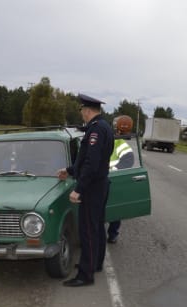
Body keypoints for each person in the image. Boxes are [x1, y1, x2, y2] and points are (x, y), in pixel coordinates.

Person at [57, 93, 114, 287]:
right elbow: (88, 162)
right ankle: (94, 264)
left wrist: (79, 189)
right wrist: (69, 170)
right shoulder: (103, 126)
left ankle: (85, 275)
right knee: (96, 227)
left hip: (92, 187)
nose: (81, 113)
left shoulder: (96, 130)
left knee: (88, 230)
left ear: (87, 110)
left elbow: (91, 163)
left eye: (82, 110)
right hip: (99, 184)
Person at [107, 115, 134, 244]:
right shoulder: (120, 142)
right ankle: (112, 234)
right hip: (111, 179)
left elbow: (128, 160)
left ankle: (110, 234)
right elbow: (129, 161)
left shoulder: (116, 142)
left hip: (108, 178)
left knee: (110, 208)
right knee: (114, 207)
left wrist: (112, 171)